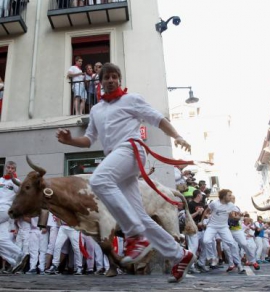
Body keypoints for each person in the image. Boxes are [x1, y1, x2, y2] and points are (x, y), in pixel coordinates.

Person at [55, 62, 194, 283]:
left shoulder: (132, 99)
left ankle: (134, 234)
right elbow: (89, 139)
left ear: (119, 79)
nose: (110, 80)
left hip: (131, 149)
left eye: (114, 76)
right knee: (138, 215)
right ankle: (180, 254)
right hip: (116, 158)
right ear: (100, 83)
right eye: (106, 77)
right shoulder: (96, 110)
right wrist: (70, 140)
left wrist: (177, 136)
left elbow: (158, 119)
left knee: (99, 180)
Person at [0, 161, 28, 273]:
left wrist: (13, 179)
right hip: (3, 215)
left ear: (15, 170)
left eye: (12, 168)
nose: (10, 169)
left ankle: (18, 255)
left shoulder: (16, 182)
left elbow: (22, 194)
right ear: (5, 168)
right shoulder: (0, 180)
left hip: (4, 209)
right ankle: (14, 260)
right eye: (8, 167)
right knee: (1, 240)